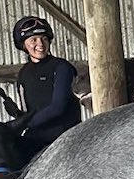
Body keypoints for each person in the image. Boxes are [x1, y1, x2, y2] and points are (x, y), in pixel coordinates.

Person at [6, 16, 82, 154]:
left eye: (44, 38)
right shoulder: (23, 74)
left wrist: (23, 123)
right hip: (36, 139)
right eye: (33, 40)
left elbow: (58, 107)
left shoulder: (61, 67)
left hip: (65, 137)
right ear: (24, 45)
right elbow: (29, 111)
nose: (40, 44)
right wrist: (17, 114)